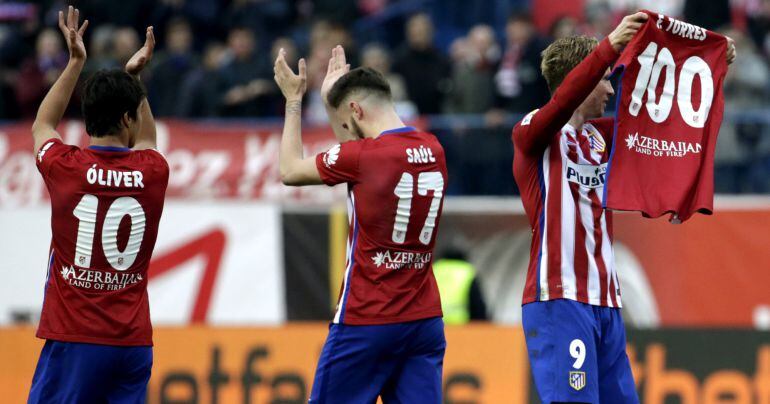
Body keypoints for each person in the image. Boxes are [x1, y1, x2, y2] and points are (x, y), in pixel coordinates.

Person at [512, 12, 736, 403]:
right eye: (603, 80)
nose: (611, 91)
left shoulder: (600, 139)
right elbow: (564, 100)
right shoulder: (533, 132)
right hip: (560, 298)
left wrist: (711, 65)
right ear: (581, 77)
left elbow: (664, 117)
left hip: (607, 301)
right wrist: (610, 46)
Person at [273, 45, 448, 403]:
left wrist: (294, 101)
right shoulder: (434, 148)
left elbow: (290, 170)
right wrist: (331, 102)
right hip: (423, 322)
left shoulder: (362, 157)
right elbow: (358, 152)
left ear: (355, 110)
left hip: (367, 319)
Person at [27, 7, 168, 403]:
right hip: (133, 344)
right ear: (128, 118)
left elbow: (42, 125)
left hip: (76, 339)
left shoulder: (65, 167)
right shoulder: (153, 171)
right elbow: (147, 142)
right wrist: (134, 78)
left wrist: (75, 62)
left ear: (87, 119)